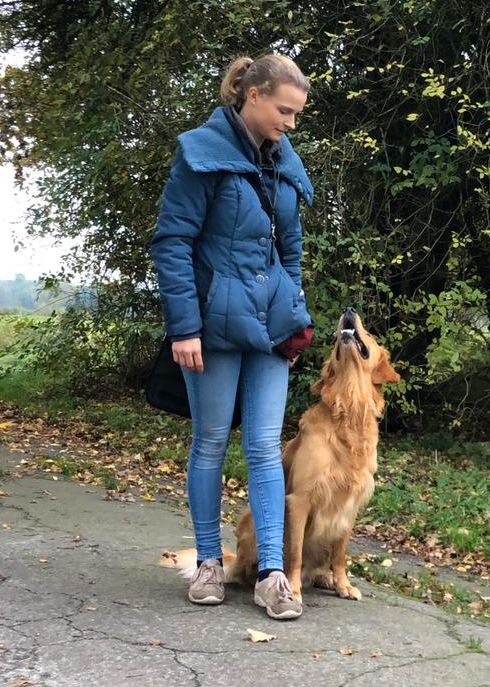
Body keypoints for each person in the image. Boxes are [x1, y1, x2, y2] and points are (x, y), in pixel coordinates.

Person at [149, 54, 315, 620]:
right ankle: (207, 564)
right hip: (213, 329)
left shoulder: (284, 162)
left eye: (297, 114)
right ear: (253, 95)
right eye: (284, 110)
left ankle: (272, 575)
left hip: (270, 330)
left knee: (265, 448)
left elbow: (290, 250)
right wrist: (184, 327)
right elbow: (172, 242)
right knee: (211, 443)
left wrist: (294, 316)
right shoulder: (201, 152)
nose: (290, 123)